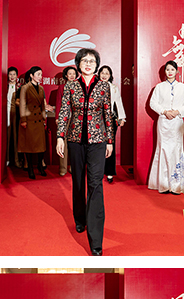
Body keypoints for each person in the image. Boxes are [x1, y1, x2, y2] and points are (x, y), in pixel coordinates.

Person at [56, 48, 114, 256]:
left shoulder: (104, 86)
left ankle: (96, 241)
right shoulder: (71, 86)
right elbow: (64, 111)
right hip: (75, 140)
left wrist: (109, 140)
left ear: (97, 64)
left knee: (95, 185)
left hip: (98, 140)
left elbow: (107, 113)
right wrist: (60, 136)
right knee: (79, 182)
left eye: (92, 61)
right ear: (78, 64)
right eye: (84, 61)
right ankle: (80, 218)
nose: (88, 64)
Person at [148, 60, 184, 195]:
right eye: (167, 69)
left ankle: (177, 185)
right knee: (163, 149)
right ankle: (163, 184)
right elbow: (152, 103)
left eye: (172, 69)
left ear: (177, 71)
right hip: (163, 122)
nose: (170, 72)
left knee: (177, 150)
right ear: (164, 72)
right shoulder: (159, 87)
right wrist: (164, 111)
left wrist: (177, 112)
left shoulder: (183, 87)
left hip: (177, 122)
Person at [19, 66, 51, 179]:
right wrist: (23, 120)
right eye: (38, 74)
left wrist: (44, 118)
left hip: (39, 120)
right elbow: (22, 104)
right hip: (29, 120)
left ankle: (40, 166)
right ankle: (30, 168)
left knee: (41, 146)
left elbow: (42, 105)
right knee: (29, 146)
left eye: (41, 74)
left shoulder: (41, 88)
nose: (40, 77)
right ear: (31, 75)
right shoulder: (25, 88)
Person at [98, 65, 127, 184]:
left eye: (107, 73)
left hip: (110, 119)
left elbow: (118, 102)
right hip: (97, 120)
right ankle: (98, 171)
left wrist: (122, 117)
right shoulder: (95, 86)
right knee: (98, 146)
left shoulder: (114, 88)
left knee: (110, 145)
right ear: (99, 74)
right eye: (102, 73)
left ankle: (109, 172)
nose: (104, 75)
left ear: (110, 76)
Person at [55, 66, 78, 176]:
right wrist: (57, 118)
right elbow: (58, 103)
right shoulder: (62, 87)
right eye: (70, 73)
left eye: (74, 73)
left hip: (76, 119)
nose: (72, 76)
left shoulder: (79, 87)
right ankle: (63, 168)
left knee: (75, 144)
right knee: (62, 143)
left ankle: (74, 167)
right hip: (65, 119)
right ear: (66, 75)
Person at [7, 66, 22, 168]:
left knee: (16, 136)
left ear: (17, 76)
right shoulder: (4, 86)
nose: (12, 76)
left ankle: (17, 160)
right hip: (6, 112)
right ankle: (6, 159)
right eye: (10, 74)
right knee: (7, 137)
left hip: (16, 113)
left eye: (14, 74)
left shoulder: (20, 87)